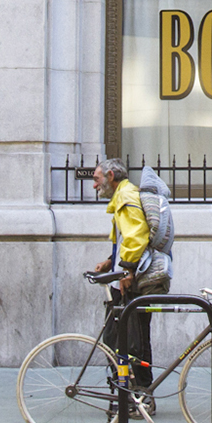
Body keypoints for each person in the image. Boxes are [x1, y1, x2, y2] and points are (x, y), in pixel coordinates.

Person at [91, 158, 171, 394]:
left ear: (111, 177)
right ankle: (139, 393)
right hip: (127, 276)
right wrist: (110, 260)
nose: (95, 186)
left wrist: (126, 269)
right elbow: (128, 237)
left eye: (97, 180)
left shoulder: (125, 197)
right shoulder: (125, 195)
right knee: (132, 338)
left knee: (124, 341)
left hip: (129, 282)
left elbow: (137, 235)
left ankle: (137, 395)